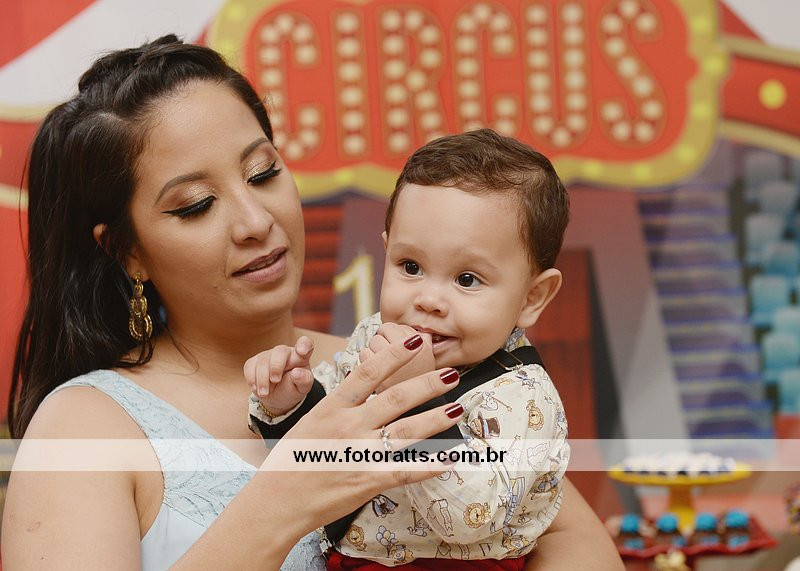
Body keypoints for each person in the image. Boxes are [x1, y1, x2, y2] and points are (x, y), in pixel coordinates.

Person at [2, 35, 623, 570]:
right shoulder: (85, 426)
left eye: (263, 173)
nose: (256, 221)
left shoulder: (383, 366)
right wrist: (285, 499)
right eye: (196, 205)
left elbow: (568, 538)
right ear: (127, 251)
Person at [248, 130, 570, 569]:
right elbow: (317, 462)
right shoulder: (374, 338)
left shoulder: (524, 397)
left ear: (532, 297)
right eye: (411, 267)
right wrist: (292, 403)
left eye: (467, 279)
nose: (428, 299)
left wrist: (415, 399)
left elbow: (470, 518)